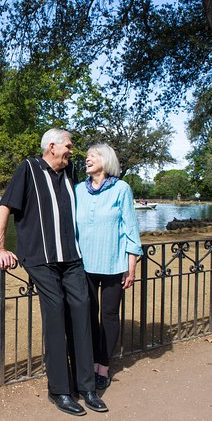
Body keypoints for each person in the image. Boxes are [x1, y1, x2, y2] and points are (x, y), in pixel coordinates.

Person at [0, 128, 107, 416]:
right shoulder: (29, 168)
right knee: (56, 311)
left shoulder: (70, 175)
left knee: (82, 310)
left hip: (71, 258)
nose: (72, 150)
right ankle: (59, 390)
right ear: (52, 146)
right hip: (40, 258)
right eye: (69, 145)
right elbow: (6, 206)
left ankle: (87, 387)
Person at [74, 143, 143, 390]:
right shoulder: (78, 190)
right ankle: (89, 363)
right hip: (84, 265)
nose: (87, 158)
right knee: (88, 316)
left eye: (93, 155)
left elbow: (130, 228)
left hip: (114, 263)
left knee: (109, 316)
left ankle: (103, 366)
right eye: (87, 156)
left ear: (106, 160)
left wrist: (131, 265)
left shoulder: (121, 189)